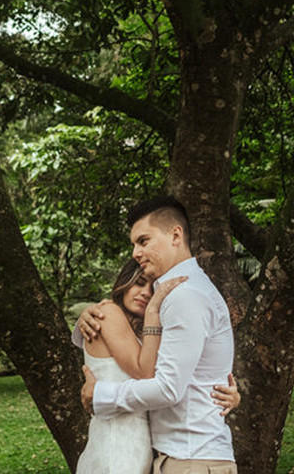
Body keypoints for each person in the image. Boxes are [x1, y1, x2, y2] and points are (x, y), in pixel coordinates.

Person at [79, 195, 239, 473]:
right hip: (179, 456)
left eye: (143, 241)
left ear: (175, 235)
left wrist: (101, 395)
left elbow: (168, 388)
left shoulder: (184, 295)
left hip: (192, 459)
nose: (135, 253)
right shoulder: (182, 293)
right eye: (134, 245)